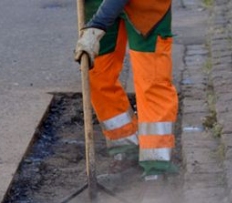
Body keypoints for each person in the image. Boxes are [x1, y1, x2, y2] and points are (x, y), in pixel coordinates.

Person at [74, 0, 178, 177]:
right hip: (97, 3)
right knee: (95, 73)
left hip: (147, 6)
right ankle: (126, 146)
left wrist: (98, 24)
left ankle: (157, 164)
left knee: (151, 81)